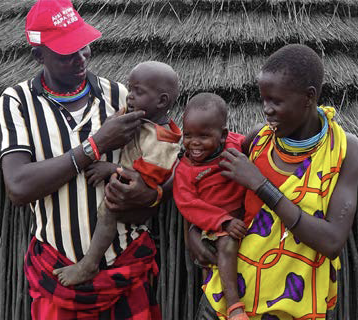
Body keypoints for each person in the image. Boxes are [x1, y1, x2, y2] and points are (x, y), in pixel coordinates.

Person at [0, 0, 163, 318]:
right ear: (39, 55)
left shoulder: (119, 96)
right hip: (56, 272)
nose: (80, 59)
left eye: (84, 46)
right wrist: (95, 146)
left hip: (125, 266)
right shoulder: (16, 102)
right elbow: (18, 187)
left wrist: (153, 193)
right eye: (66, 53)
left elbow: (164, 162)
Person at [189, 44, 358, 319]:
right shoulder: (258, 139)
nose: (266, 110)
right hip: (227, 300)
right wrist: (193, 230)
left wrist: (260, 185)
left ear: (309, 97)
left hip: (293, 306)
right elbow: (209, 183)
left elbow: (331, 241)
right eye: (263, 100)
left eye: (276, 101)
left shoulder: (345, 150)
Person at [53, 60, 181, 286]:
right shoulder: (146, 120)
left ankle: (89, 263)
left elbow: (145, 179)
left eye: (138, 92)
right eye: (129, 89)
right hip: (130, 189)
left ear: (162, 101)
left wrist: (111, 169)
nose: (129, 96)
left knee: (108, 213)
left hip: (133, 196)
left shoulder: (161, 141)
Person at [173, 93, 250, 319]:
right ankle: (234, 306)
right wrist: (222, 221)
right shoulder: (186, 169)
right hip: (215, 226)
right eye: (188, 135)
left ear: (223, 134)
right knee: (226, 246)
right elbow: (189, 205)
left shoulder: (235, 145)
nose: (194, 143)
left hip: (245, 217)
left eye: (204, 136)